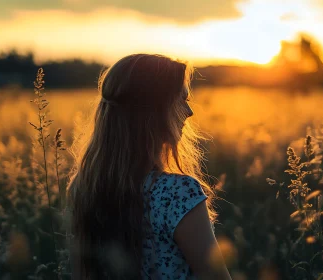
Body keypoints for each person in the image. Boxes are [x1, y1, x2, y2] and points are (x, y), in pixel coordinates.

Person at [68, 54, 232, 280]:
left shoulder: (84, 187)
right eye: (181, 100)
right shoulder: (178, 193)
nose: (189, 112)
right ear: (154, 111)